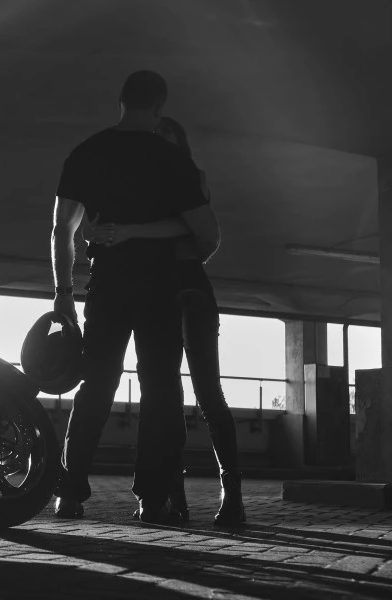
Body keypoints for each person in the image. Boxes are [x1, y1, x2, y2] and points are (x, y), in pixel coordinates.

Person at [51, 70, 213, 524]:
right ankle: (152, 498)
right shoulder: (173, 161)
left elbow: (61, 228)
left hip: (106, 285)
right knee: (160, 391)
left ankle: (69, 494)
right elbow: (209, 237)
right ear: (159, 107)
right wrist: (158, 231)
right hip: (160, 288)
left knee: (95, 388)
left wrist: (63, 293)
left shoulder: (87, 152)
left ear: (119, 100)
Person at [86, 116, 246, 526]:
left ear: (180, 144)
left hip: (188, 289)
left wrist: (167, 252)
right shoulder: (137, 183)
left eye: (166, 137)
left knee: (208, 392)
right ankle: (172, 491)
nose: (157, 143)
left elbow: (207, 237)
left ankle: (233, 493)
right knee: (165, 396)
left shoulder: (192, 178)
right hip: (156, 292)